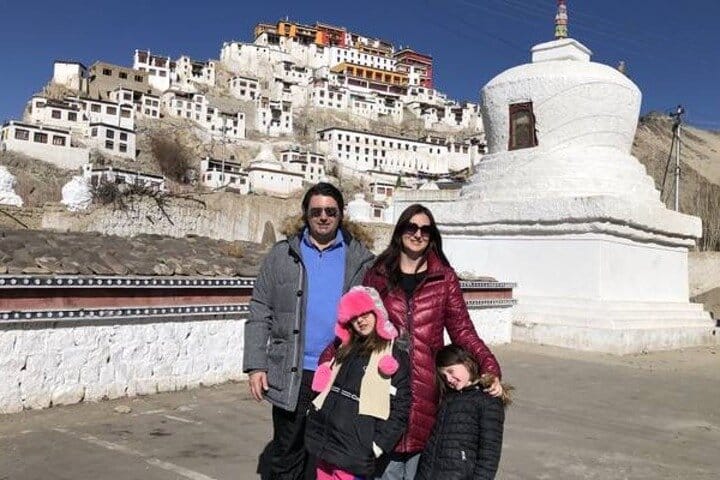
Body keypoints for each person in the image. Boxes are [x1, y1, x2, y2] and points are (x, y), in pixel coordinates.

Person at [244, 182, 375, 480]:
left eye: (330, 211)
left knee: (331, 455)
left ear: (341, 214)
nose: (323, 217)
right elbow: (260, 309)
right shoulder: (283, 255)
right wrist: (256, 365)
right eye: (316, 211)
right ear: (305, 214)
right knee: (288, 451)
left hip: (341, 371)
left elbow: (377, 312)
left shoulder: (361, 260)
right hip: (293, 370)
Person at [362, 203, 503, 479]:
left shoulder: (444, 278)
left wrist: (489, 368)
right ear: (400, 231)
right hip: (385, 388)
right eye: (411, 227)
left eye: (425, 230)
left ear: (432, 236)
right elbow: (358, 326)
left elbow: (463, 330)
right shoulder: (377, 275)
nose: (418, 234)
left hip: (429, 393)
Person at [305, 286, 411, 480]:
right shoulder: (344, 348)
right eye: (354, 318)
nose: (360, 321)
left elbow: (401, 408)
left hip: (354, 450)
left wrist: (377, 445)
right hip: (325, 441)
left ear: (377, 312)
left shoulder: (393, 356)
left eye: (364, 314)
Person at [415, 345, 508, 480]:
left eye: (451, 371)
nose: (448, 379)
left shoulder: (487, 401)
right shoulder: (448, 398)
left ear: (466, 363)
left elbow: (489, 453)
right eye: (444, 376)